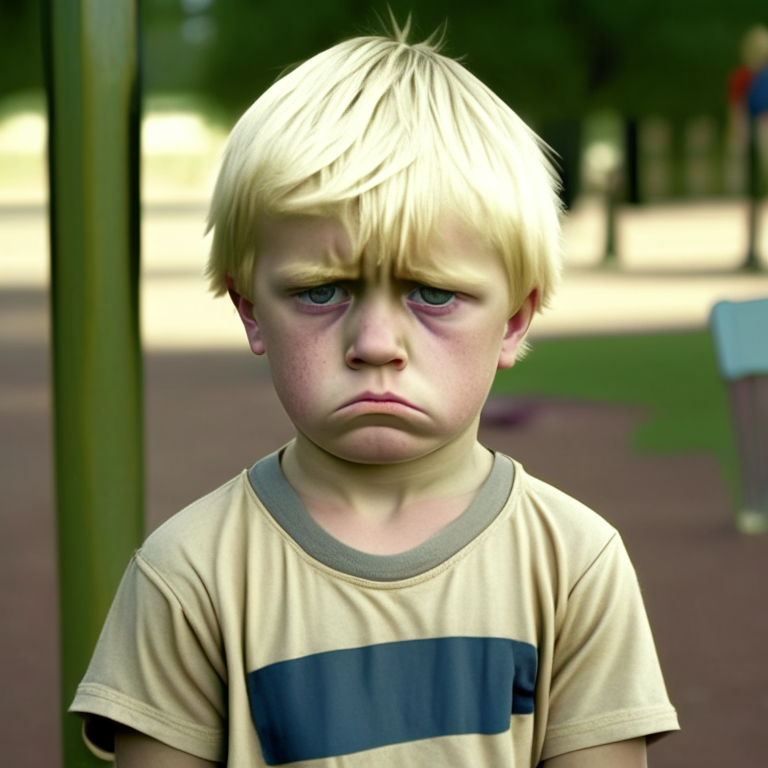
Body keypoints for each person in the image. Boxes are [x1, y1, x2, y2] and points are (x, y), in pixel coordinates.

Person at [70, 23, 679, 767]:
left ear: (515, 318)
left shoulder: (573, 564)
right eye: (321, 291)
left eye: (433, 293)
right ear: (250, 309)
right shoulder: (188, 577)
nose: (377, 341)